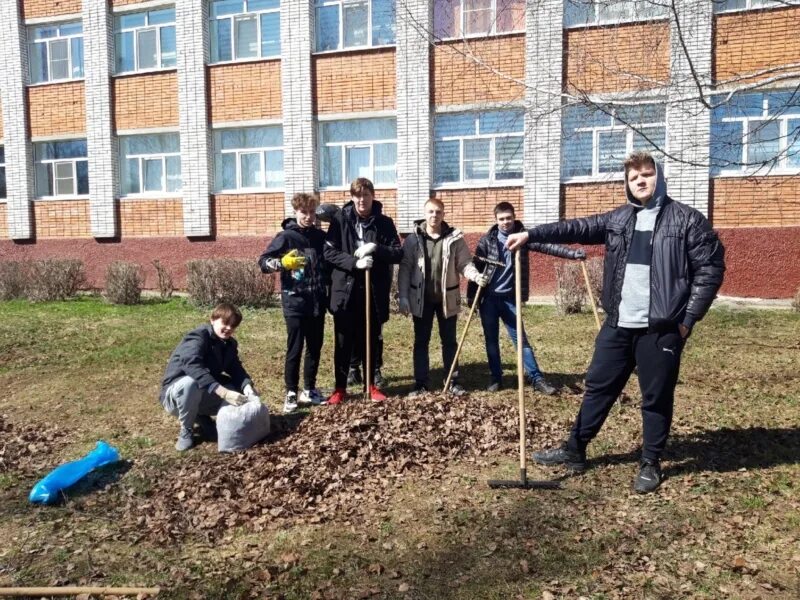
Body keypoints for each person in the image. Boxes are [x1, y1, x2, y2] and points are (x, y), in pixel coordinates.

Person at [506, 151, 725, 493]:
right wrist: (531, 235)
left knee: (655, 397)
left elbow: (711, 269)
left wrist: (687, 320)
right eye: (633, 176)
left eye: (647, 173)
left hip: (661, 329)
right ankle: (575, 449)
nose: (640, 180)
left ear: (660, 176)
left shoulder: (686, 220)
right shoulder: (619, 220)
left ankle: (650, 462)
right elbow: (575, 227)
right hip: (618, 325)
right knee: (598, 388)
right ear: (627, 183)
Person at [468, 202, 577, 395]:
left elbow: (547, 246)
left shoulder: (522, 237)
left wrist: (571, 253)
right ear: (496, 220)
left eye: (508, 218)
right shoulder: (487, 241)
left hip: (511, 299)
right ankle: (496, 378)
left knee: (521, 341)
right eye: (501, 219)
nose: (505, 222)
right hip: (489, 301)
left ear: (514, 217)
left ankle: (536, 378)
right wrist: (472, 299)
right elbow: (476, 268)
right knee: (491, 340)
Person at [397, 198, 488, 396]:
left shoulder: (454, 238)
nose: (434, 216)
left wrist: (475, 276)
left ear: (443, 214)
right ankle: (421, 383)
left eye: (438, 212)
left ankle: (453, 381)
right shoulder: (413, 239)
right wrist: (403, 296)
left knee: (449, 341)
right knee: (421, 341)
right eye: (430, 212)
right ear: (425, 213)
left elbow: (464, 263)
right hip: (421, 301)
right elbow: (405, 269)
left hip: (447, 299)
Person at [324, 177, 402, 404]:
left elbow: (398, 253)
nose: (361, 200)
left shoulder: (384, 223)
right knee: (342, 341)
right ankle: (340, 388)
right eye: (357, 196)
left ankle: (372, 385)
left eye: (366, 195)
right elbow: (329, 252)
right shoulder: (340, 220)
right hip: (345, 292)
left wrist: (376, 248)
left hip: (372, 292)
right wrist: (353, 262)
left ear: (372, 196)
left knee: (370, 339)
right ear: (352, 197)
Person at [258, 192, 328, 414]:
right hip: (295, 303)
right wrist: (281, 263)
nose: (308, 217)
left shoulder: (319, 237)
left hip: (316, 302)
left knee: (315, 347)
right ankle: (290, 392)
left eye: (311, 212)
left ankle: (309, 389)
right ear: (296, 212)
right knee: (295, 348)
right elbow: (262, 262)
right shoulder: (286, 237)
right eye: (303, 212)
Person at [159, 303, 258, 451]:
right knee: (191, 383)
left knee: (236, 388)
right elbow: (192, 365)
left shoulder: (229, 344)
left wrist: (247, 387)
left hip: (202, 390)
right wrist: (224, 393)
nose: (229, 328)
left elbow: (236, 369)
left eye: (233, 325)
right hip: (175, 395)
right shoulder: (198, 336)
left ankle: (201, 416)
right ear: (212, 319)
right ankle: (186, 430)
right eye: (225, 323)